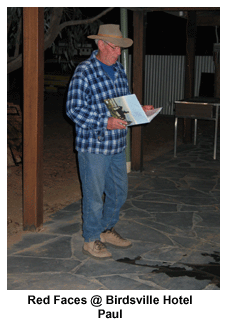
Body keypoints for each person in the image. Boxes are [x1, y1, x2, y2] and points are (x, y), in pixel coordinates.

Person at [66, 24, 153, 260]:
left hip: (117, 145)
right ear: (101, 44)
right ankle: (91, 239)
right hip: (94, 145)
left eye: (120, 49)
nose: (118, 53)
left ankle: (105, 229)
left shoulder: (119, 69)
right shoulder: (84, 71)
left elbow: (121, 105)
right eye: (115, 48)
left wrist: (139, 110)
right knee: (94, 197)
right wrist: (105, 122)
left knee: (119, 192)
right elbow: (73, 110)